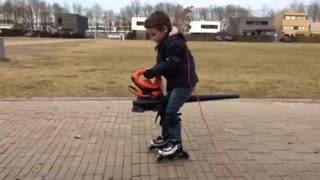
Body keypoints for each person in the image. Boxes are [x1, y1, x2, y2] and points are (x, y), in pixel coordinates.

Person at [143, 11, 199, 157]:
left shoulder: (175, 43)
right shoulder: (166, 43)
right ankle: (168, 138)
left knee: (171, 113)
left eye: (154, 34)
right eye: (150, 35)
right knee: (164, 108)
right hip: (175, 83)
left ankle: (176, 145)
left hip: (184, 84)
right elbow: (164, 63)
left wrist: (153, 71)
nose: (152, 38)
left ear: (164, 29)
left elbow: (170, 64)